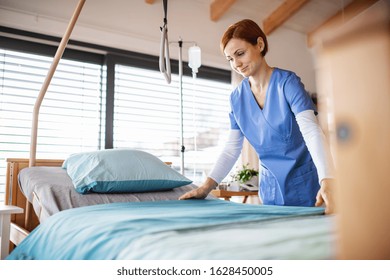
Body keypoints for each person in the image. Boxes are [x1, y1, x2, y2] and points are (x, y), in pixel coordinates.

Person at [179, 19, 335, 214]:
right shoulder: (237, 99)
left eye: (240, 54)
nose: (236, 64)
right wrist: (205, 187)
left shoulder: (287, 84)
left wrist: (327, 179)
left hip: (307, 186)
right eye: (230, 59)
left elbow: (311, 131)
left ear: (259, 45)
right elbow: (231, 149)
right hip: (270, 190)